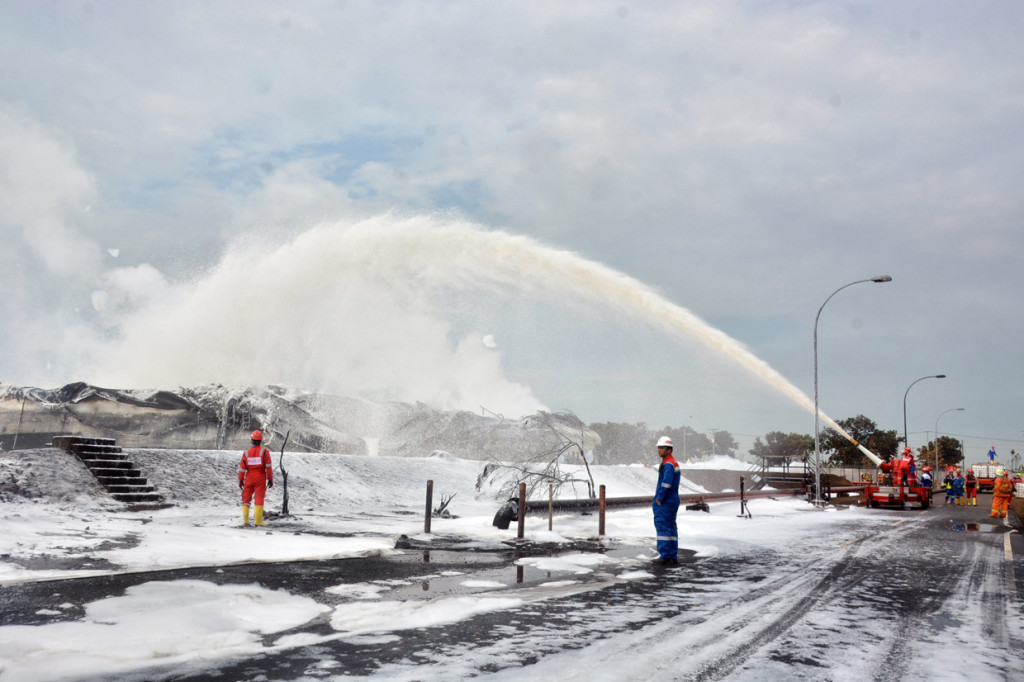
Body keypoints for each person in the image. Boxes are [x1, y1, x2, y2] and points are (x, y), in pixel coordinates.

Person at [652, 435, 681, 566]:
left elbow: (666, 484)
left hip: (666, 501)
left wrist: (659, 498)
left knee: (663, 526)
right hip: (672, 499)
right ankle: (672, 555)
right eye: (658, 447)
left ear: (669, 450)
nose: (659, 450)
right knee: (670, 527)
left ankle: (665, 555)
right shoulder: (671, 462)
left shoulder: (668, 464)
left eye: (662, 448)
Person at [238, 429, 273, 526]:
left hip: (249, 478)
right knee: (259, 498)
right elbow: (268, 467)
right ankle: (258, 522)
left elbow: (242, 469)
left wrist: (241, 480)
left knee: (246, 498)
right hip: (260, 477)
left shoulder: (246, 453)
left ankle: (246, 521)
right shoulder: (265, 452)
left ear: (251, 440)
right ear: (261, 441)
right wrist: (270, 479)